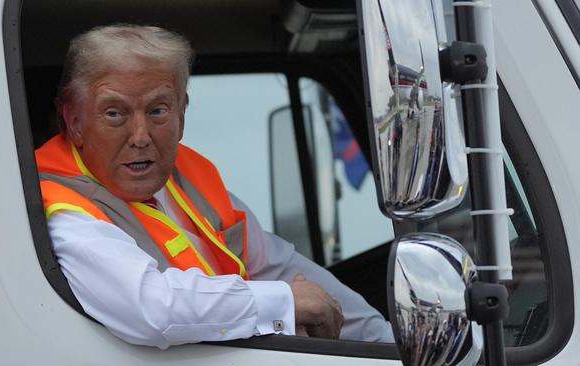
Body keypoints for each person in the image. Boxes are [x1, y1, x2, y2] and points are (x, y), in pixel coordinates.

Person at [35, 24, 393, 349]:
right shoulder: (61, 208)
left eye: (158, 110)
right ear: (75, 122)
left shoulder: (190, 181)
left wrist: (388, 346)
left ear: (182, 114)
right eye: (115, 113)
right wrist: (283, 302)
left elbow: (281, 267)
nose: (140, 137)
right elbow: (152, 310)